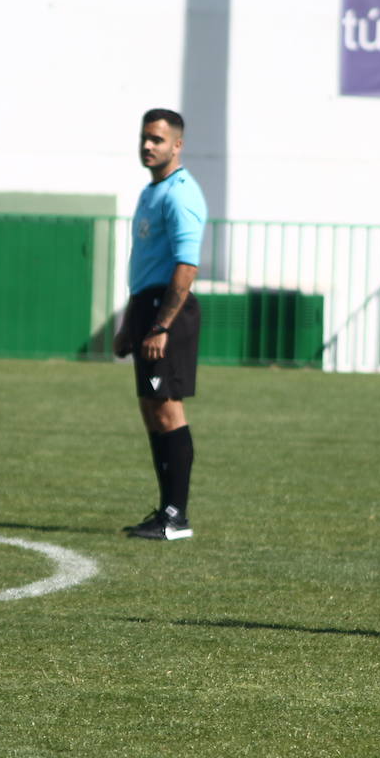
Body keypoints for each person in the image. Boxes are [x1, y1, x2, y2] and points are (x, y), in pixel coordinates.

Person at [113, 109, 208, 540]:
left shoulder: (181, 194)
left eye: (157, 139)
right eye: (144, 138)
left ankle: (176, 517)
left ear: (177, 145)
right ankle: (165, 512)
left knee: (168, 410)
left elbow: (186, 266)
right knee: (152, 408)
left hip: (167, 318)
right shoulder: (152, 191)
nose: (148, 146)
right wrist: (132, 324)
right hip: (147, 311)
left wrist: (160, 326)